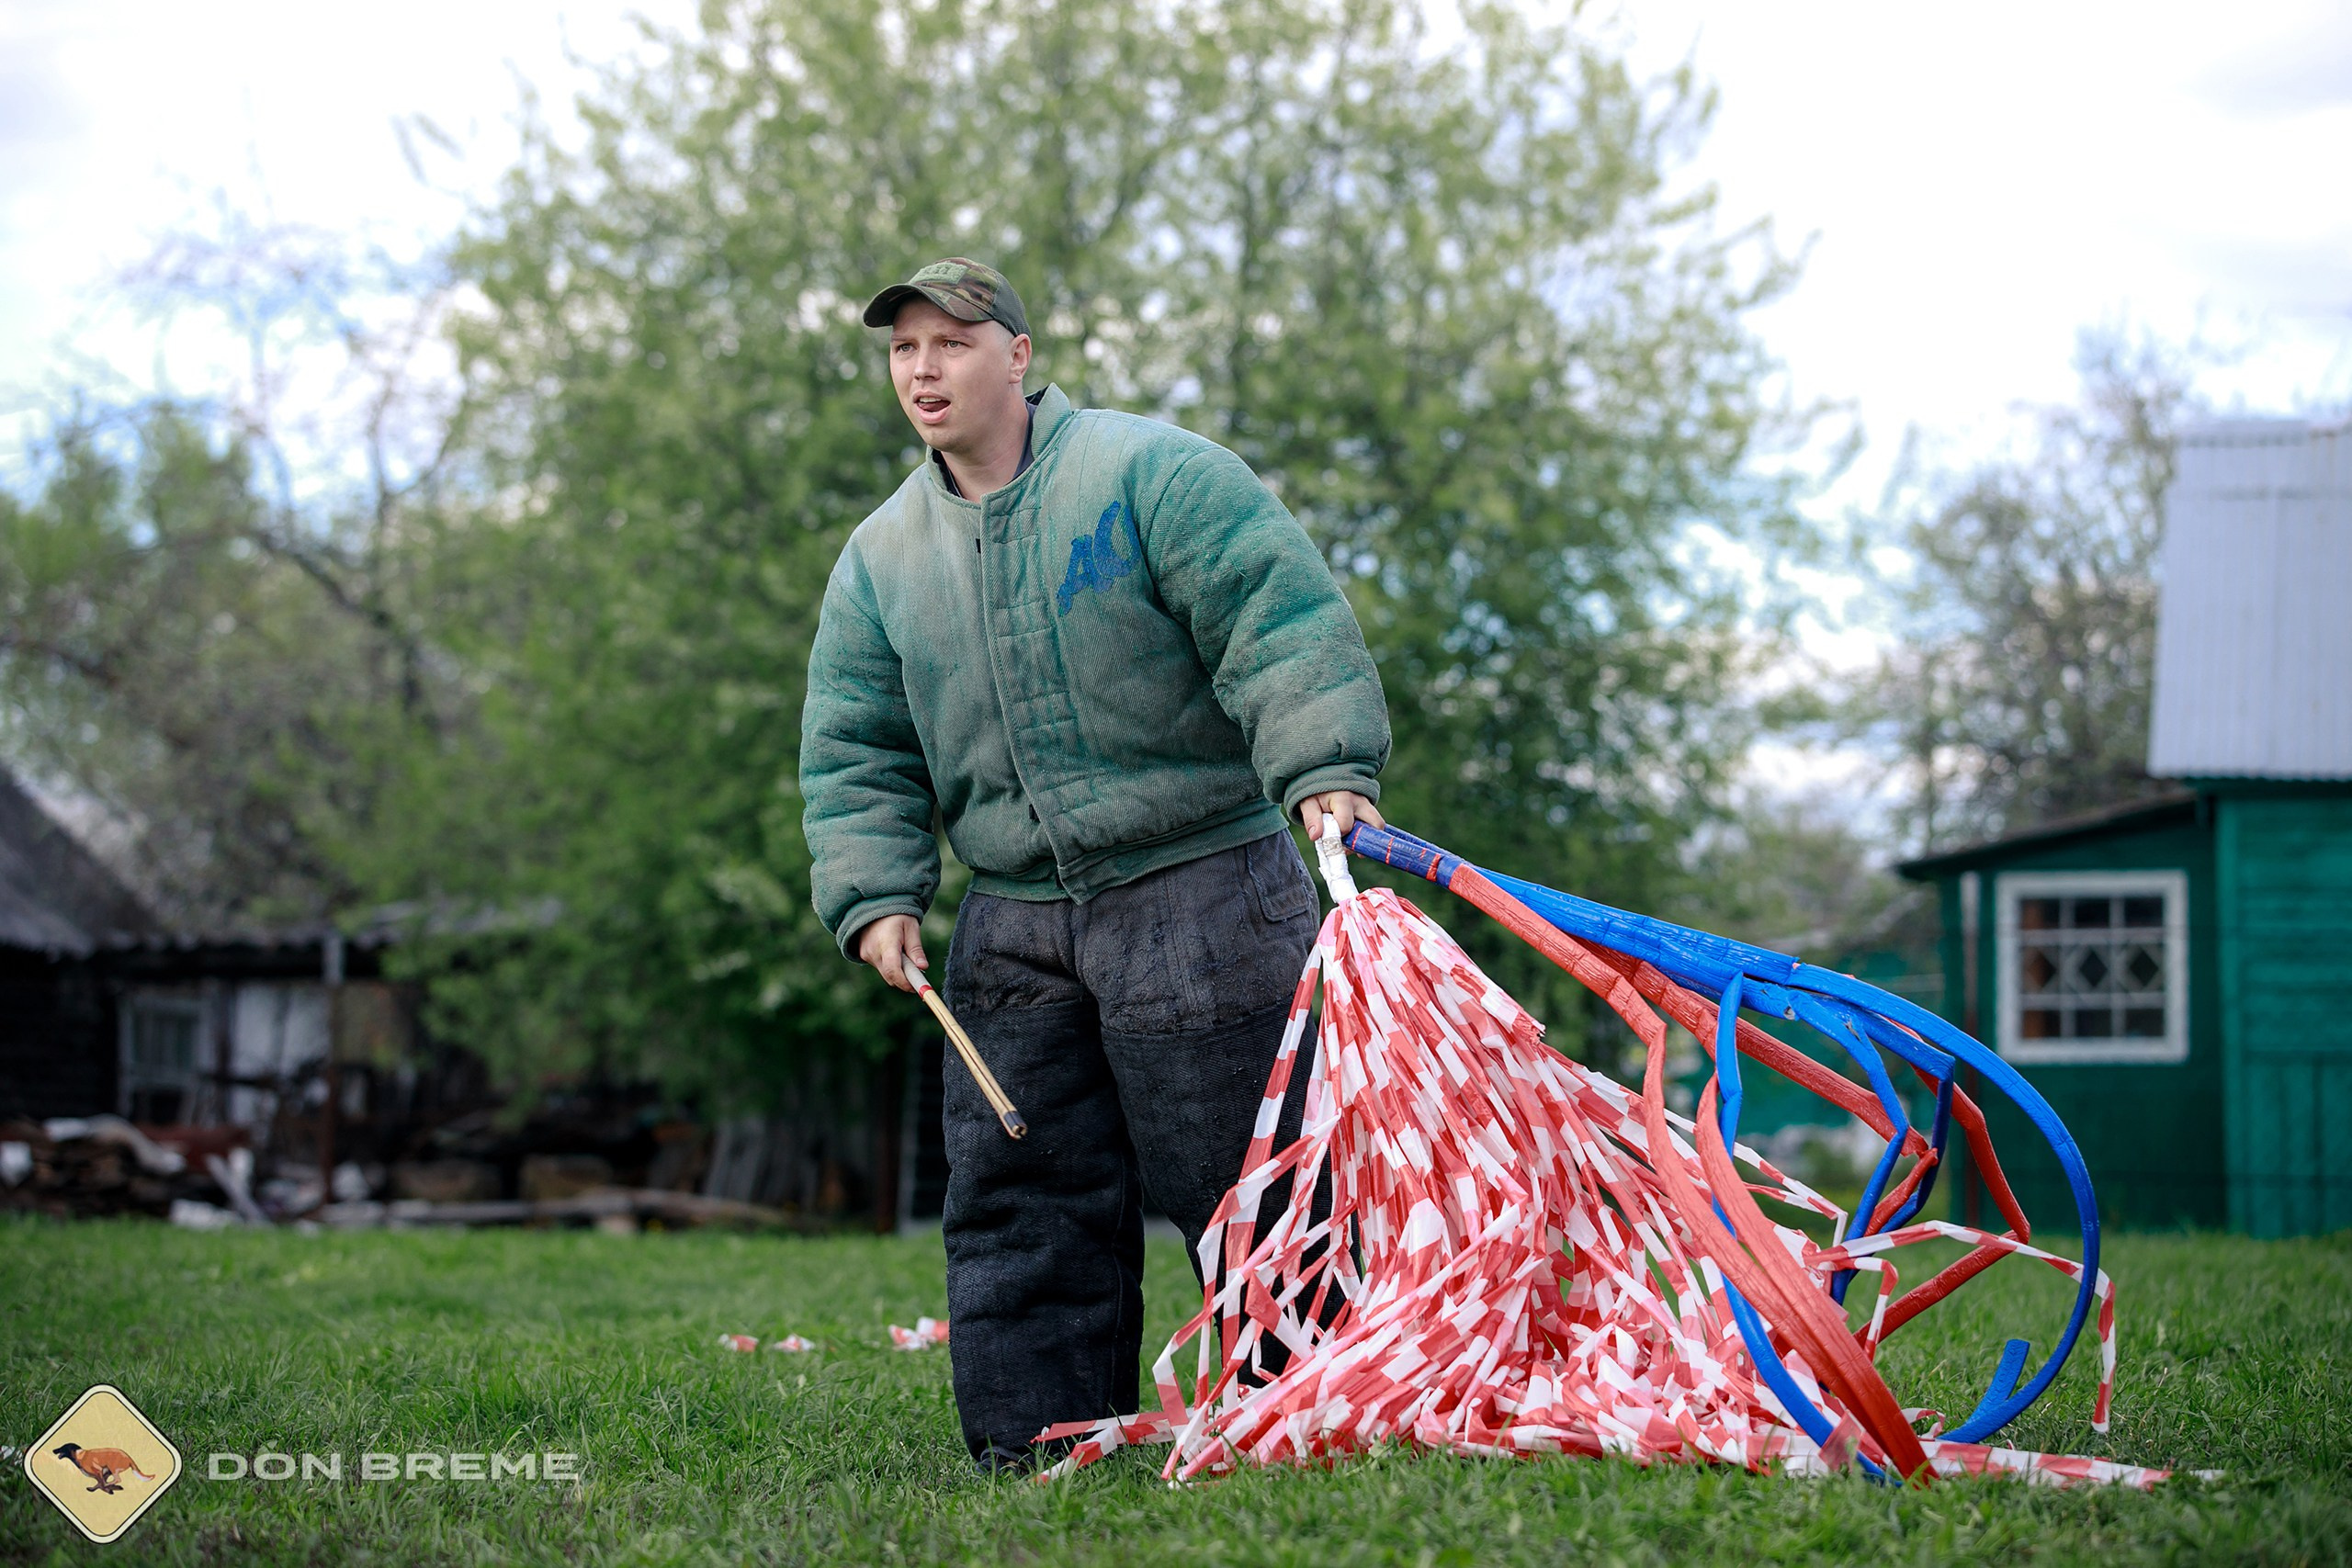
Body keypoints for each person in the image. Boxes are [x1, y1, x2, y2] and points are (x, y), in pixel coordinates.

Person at [798, 257, 1390, 1471]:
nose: (923, 368)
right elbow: (854, 742)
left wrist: (1322, 761)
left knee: (1252, 1180)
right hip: (1010, 918)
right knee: (1018, 1192)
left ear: (1018, 355)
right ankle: (1039, 1444)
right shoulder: (880, 559)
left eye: (951, 342)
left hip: (1204, 887)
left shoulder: (1151, 475)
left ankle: (1317, 1426)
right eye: (903, 348)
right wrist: (873, 895)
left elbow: (1273, 619)